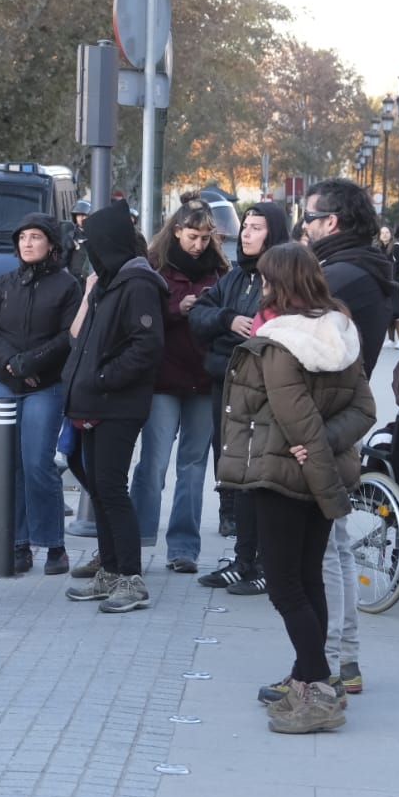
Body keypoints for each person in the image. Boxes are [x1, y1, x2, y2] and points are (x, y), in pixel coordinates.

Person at [216, 243, 375, 735]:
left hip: (280, 473)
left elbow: (294, 415)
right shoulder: (340, 331)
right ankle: (308, 675)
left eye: (266, 279)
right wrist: (325, 447)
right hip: (316, 470)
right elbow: (364, 410)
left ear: (279, 283)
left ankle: (319, 687)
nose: (260, 286)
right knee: (308, 579)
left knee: (286, 586)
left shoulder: (278, 342)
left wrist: (311, 450)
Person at [295, 179, 396, 698]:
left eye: (308, 218)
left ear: (330, 222)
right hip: (335, 419)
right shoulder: (362, 268)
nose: (303, 226)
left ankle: (330, 663)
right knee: (333, 547)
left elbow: (310, 350)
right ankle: (343, 659)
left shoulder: (340, 275)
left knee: (323, 554)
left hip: (324, 421)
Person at [61, 201, 165, 614]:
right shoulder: (107, 281)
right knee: (100, 490)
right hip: (92, 402)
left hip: (116, 406)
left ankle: (131, 578)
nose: (87, 251)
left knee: (112, 489)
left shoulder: (137, 284)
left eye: (92, 243)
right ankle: (111, 569)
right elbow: (80, 338)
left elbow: (147, 347)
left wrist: (102, 379)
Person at [0, 212, 81, 575]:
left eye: (36, 237)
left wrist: (31, 364)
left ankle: (54, 544)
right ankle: (18, 543)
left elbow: (68, 337)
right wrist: (12, 364)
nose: (28, 243)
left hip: (45, 386)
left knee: (37, 462)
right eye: (23, 237)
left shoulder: (67, 286)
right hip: (3, 382)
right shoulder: (4, 283)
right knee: (11, 465)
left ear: (50, 244)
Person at [190, 203, 288, 593]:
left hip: (262, 391)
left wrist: (231, 335)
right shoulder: (235, 278)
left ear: (274, 233)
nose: (245, 234)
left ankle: (265, 563)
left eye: (256, 228)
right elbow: (199, 316)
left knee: (259, 477)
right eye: (245, 226)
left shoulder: (281, 279)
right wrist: (226, 321)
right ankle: (244, 558)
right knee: (238, 475)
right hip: (227, 385)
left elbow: (268, 336)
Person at [130, 194, 228, 573]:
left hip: (203, 379)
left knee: (193, 465)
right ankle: (137, 540)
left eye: (205, 237)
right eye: (192, 236)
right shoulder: (156, 267)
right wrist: (177, 308)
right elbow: (142, 317)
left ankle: (184, 548)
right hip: (163, 378)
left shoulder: (219, 271)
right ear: (176, 231)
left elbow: (228, 315)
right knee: (152, 463)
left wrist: (208, 310)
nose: (198, 244)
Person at [376, 225, 399, 349]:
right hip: (383, 283)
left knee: (397, 311)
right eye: (382, 232)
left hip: (394, 283)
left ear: (391, 234)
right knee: (388, 311)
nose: (384, 235)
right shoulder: (379, 248)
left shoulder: (396, 247)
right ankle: (390, 339)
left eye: (387, 232)